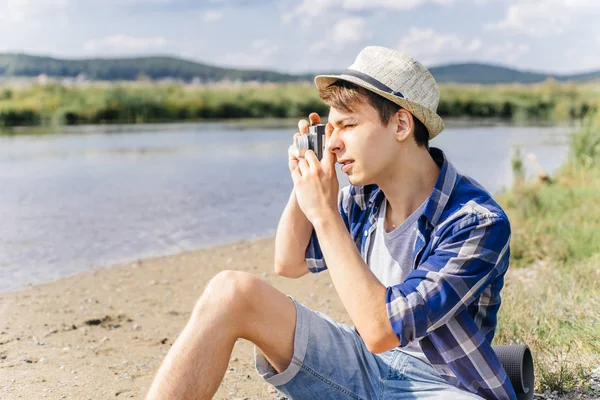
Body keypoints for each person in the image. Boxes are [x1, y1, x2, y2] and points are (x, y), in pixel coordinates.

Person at [145, 46, 517, 400]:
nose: (334, 143)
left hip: (440, 385)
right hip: (365, 368)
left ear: (401, 124)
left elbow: (382, 330)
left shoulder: (475, 222)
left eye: (348, 125)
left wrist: (324, 214)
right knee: (230, 291)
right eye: (330, 129)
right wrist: (304, 182)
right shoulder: (364, 197)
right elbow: (289, 264)